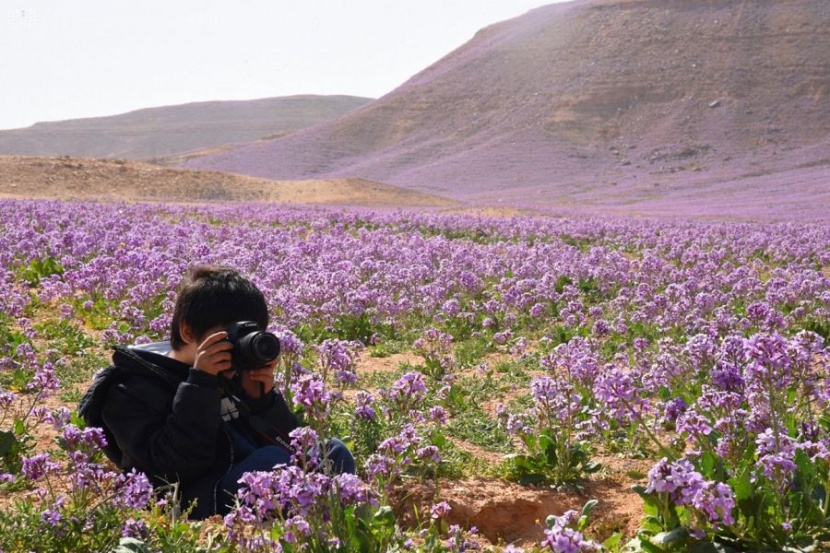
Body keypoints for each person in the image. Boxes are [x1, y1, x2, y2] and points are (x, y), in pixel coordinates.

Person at [79, 265, 355, 519]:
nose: (239, 346)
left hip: (248, 470)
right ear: (188, 331)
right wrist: (200, 385)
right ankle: (312, 507)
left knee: (333, 454)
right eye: (230, 335)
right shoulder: (130, 387)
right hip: (195, 495)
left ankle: (320, 508)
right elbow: (169, 470)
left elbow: (290, 443)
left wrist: (262, 402)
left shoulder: (231, 372)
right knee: (273, 463)